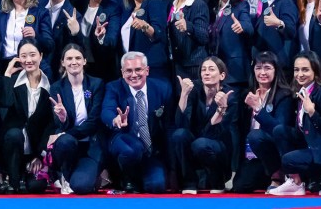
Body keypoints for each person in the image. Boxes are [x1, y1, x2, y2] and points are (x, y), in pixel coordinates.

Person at [265, 50, 321, 196]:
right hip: (309, 145)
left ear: (315, 70)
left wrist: (312, 112)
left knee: (288, 159)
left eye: (305, 70)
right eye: (297, 70)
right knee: (280, 131)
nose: (300, 74)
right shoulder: (301, 92)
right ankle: (295, 182)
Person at [101, 51, 171, 193]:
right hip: (124, 140)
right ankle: (126, 178)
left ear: (147, 70)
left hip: (151, 149)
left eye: (138, 69)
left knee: (157, 186)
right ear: (122, 73)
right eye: (128, 71)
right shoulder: (114, 87)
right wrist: (115, 119)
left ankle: (141, 178)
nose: (133, 75)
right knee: (133, 149)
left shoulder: (162, 88)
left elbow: (170, 124)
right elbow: (106, 110)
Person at [170, 55, 237, 194]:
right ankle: (189, 182)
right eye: (203, 70)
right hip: (197, 141)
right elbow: (180, 124)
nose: (206, 73)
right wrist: (184, 94)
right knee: (179, 135)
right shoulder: (194, 90)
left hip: (218, 145)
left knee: (201, 143)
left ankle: (218, 181)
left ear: (222, 75)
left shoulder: (229, 96)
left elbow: (216, 133)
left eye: (211, 69)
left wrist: (221, 109)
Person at [47, 44, 105, 195]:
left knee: (81, 186)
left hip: (89, 147)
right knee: (65, 141)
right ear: (63, 62)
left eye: (78, 58)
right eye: (69, 58)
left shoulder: (96, 84)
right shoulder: (56, 88)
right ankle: (63, 175)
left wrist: (64, 133)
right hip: (67, 147)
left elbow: (93, 122)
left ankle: (89, 177)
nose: (74, 62)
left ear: (84, 61)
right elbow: (58, 124)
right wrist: (63, 117)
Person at [234, 52, 295, 194]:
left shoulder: (284, 95)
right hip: (253, 155)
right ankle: (265, 178)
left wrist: (258, 109)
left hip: (275, 152)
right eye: (258, 68)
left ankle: (277, 176)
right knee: (240, 186)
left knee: (256, 135)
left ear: (276, 70)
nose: (262, 73)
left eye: (267, 68)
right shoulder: (246, 95)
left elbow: (278, 130)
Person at [0, 40, 54, 193]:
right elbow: (5, 103)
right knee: (14, 134)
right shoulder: (12, 81)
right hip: (12, 148)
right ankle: (13, 180)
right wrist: (7, 74)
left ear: (41, 56)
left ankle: (25, 176)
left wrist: (39, 155)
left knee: (37, 187)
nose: (28, 60)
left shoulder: (50, 85)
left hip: (34, 151)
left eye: (32, 55)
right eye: (23, 56)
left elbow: (50, 124)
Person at [117, 0, 170, 78]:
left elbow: (159, 34)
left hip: (151, 69)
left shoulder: (154, 3)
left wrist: (145, 26)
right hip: (131, 70)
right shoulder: (127, 11)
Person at [165, 0, 212, 82]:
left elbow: (204, 37)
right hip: (176, 64)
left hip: (193, 66)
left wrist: (188, 27)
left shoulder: (199, 5)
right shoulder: (171, 4)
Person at [253, 0, 299, 68]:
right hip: (267, 63)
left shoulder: (286, 2)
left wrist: (278, 23)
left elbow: (291, 31)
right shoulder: (267, 3)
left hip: (280, 65)